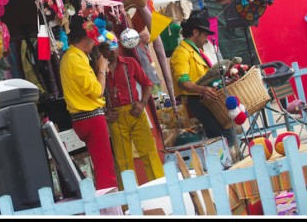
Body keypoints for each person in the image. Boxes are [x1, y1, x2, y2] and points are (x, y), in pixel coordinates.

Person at [59, 14, 118, 191]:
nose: (94, 43)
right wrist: (101, 69)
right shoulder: (75, 60)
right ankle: (111, 211)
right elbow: (97, 90)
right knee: (105, 170)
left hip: (83, 118)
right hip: (91, 119)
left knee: (102, 167)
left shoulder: (73, 57)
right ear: (85, 38)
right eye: (92, 39)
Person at [169, 11, 237, 153]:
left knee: (225, 134)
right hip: (199, 101)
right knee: (223, 136)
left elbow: (209, 78)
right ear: (195, 33)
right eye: (205, 35)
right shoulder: (181, 53)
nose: (206, 40)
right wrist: (202, 90)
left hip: (210, 99)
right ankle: (227, 166)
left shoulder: (197, 52)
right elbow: (182, 82)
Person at [99, 42, 164, 188]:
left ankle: (161, 190)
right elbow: (93, 95)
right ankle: (129, 204)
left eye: (114, 46)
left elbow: (148, 83)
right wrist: (104, 112)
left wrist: (142, 103)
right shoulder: (99, 70)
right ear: (101, 50)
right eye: (107, 48)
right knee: (123, 161)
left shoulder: (130, 62)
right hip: (115, 117)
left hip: (135, 112)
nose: (112, 51)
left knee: (149, 154)